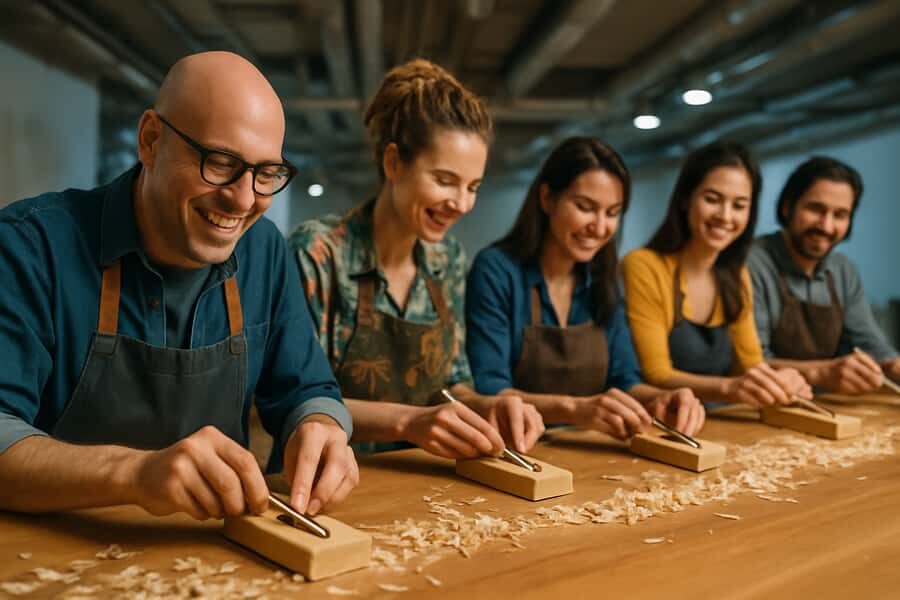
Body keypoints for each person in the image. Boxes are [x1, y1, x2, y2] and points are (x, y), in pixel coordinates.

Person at [0, 52, 356, 520]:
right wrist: (133, 474)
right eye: (220, 162)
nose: (244, 199)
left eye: (266, 174)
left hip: (211, 555)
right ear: (150, 140)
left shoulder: (263, 250)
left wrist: (321, 423)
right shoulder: (30, 245)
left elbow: (306, 386)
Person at [290, 59, 544, 458]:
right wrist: (410, 422)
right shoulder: (320, 252)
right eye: (444, 180)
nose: (460, 203)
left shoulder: (448, 259)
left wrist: (486, 404)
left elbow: (453, 382)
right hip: (324, 477)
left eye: (473, 186)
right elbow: (297, 400)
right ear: (393, 163)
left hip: (422, 476)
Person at [466, 137, 705, 439]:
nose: (600, 226)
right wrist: (575, 409)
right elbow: (490, 387)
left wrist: (657, 399)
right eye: (585, 207)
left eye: (612, 212)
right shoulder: (497, 270)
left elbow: (625, 378)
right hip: (516, 448)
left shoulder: (601, 276)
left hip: (588, 446)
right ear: (547, 199)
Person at [622, 141, 810, 408]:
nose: (725, 216)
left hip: (723, 424)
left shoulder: (737, 274)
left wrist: (782, 381)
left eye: (739, 205)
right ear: (686, 199)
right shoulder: (643, 266)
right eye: (712, 199)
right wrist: (731, 388)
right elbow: (656, 374)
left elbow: (751, 364)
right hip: (665, 427)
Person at [748, 156, 900, 394]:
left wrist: (893, 364)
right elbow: (750, 363)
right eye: (816, 209)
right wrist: (822, 373)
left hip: (823, 405)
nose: (827, 226)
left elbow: (871, 344)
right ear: (788, 206)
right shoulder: (751, 263)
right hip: (755, 408)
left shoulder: (843, 270)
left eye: (840, 215)